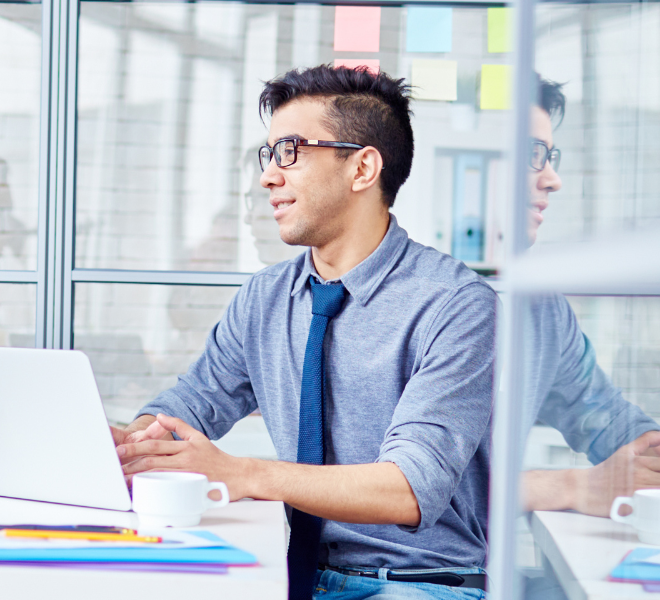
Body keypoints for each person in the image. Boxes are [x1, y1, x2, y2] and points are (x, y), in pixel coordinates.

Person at [113, 65, 496, 600]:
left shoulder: (456, 305)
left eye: (289, 151)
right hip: (280, 570)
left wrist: (243, 475)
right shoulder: (265, 297)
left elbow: (411, 487)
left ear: (362, 168)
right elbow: (193, 402)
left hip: (413, 584)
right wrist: (136, 440)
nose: (268, 175)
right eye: (269, 155)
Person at [518, 75, 660, 516]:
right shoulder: (405, 298)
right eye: (533, 155)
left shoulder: (538, 308)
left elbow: (598, 413)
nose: (553, 180)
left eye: (549, 157)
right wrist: (576, 487)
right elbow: (398, 484)